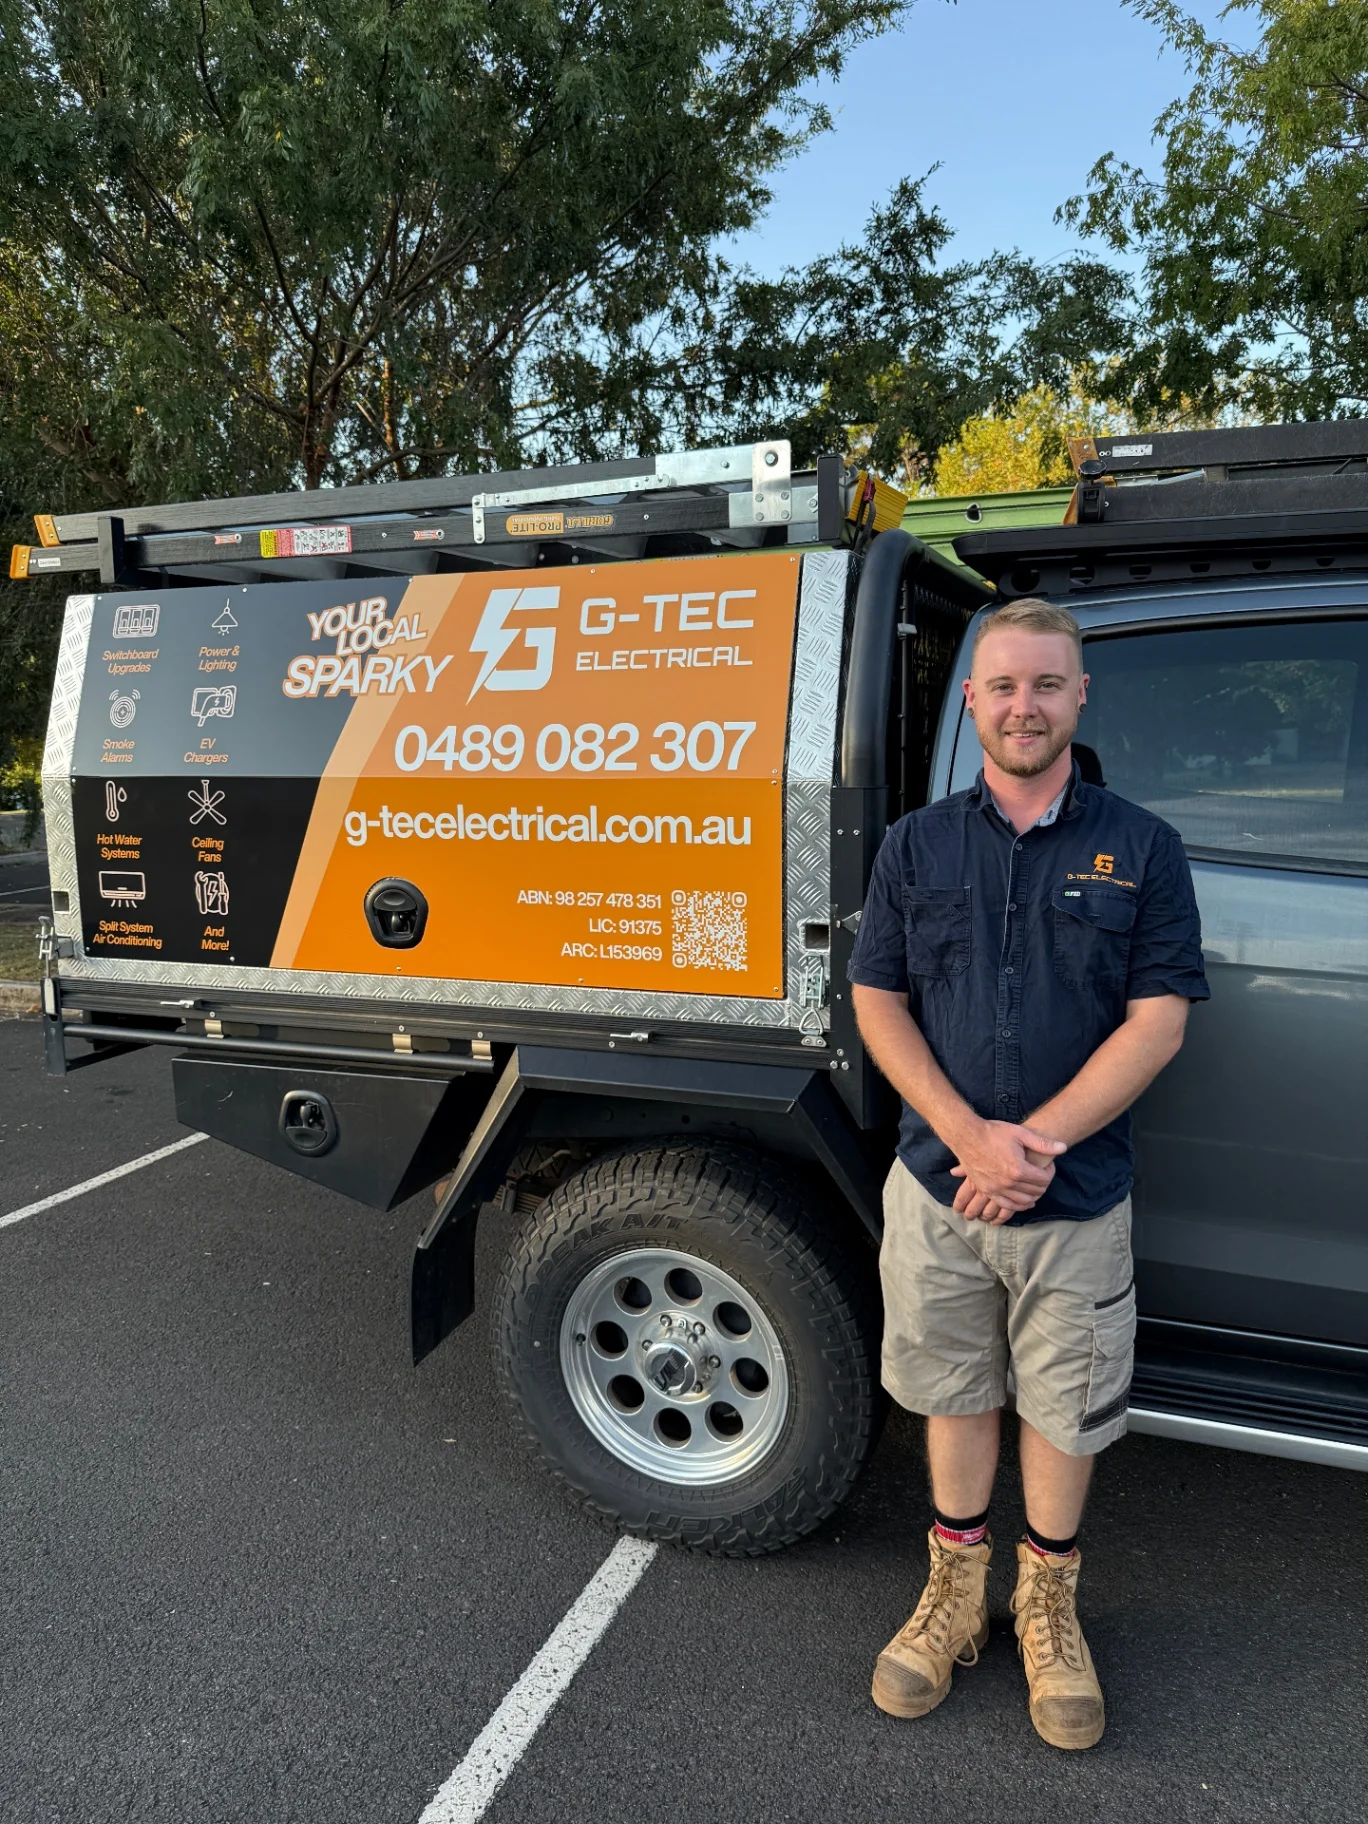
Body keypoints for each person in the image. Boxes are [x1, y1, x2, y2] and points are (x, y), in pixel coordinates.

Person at [848, 597, 1208, 1751]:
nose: (1024, 706)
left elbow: (1158, 1022)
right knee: (955, 1391)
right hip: (939, 1189)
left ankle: (1046, 1604)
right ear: (971, 700)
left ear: (1079, 695)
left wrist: (1028, 1147)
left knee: (1063, 1407)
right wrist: (969, 1138)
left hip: (1076, 1200)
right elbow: (876, 999)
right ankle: (955, 1594)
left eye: (1047, 684)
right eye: (1003, 685)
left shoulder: (1143, 848)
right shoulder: (915, 846)